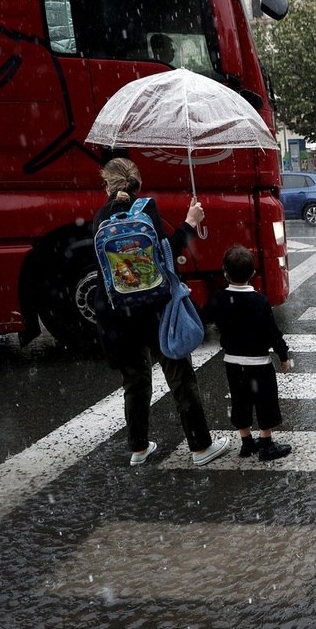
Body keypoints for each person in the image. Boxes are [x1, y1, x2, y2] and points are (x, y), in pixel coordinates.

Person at [92, 158, 229, 467]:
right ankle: (200, 447)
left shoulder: (99, 218)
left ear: (107, 185)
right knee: (180, 378)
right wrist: (190, 223)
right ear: (137, 183)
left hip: (118, 313)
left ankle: (139, 448)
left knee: (135, 384)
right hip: (156, 310)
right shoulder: (146, 210)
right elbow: (168, 252)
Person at [201, 244, 293, 462]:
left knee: (240, 402)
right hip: (260, 364)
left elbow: (202, 318)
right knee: (265, 403)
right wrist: (283, 356)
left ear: (225, 274)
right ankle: (266, 444)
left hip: (233, 363)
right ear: (253, 273)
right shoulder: (260, 301)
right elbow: (273, 333)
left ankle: (247, 443)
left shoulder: (219, 298)